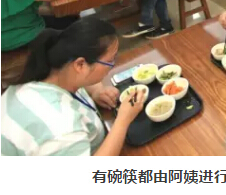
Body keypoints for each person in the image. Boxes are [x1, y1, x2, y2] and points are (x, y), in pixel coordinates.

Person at [1, 18, 145, 155]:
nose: (112, 65)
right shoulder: (61, 130)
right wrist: (123, 119)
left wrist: (97, 91)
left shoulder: (49, 73)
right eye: (110, 61)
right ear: (80, 64)